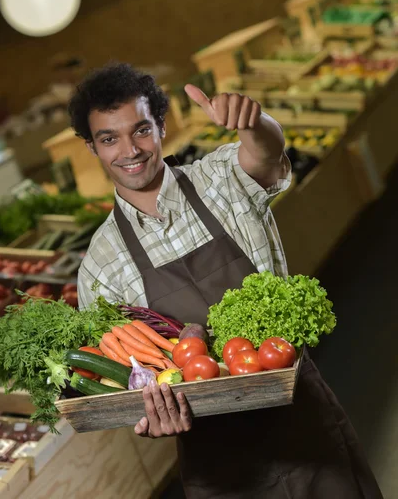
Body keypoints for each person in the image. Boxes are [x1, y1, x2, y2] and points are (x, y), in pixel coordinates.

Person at [69, 62, 383, 499]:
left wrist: (255, 122)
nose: (130, 150)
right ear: (91, 147)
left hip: (302, 423)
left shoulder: (220, 180)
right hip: (219, 463)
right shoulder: (101, 267)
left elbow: (267, 153)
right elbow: (126, 382)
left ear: (161, 126)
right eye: (109, 138)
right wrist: (149, 420)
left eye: (141, 130)